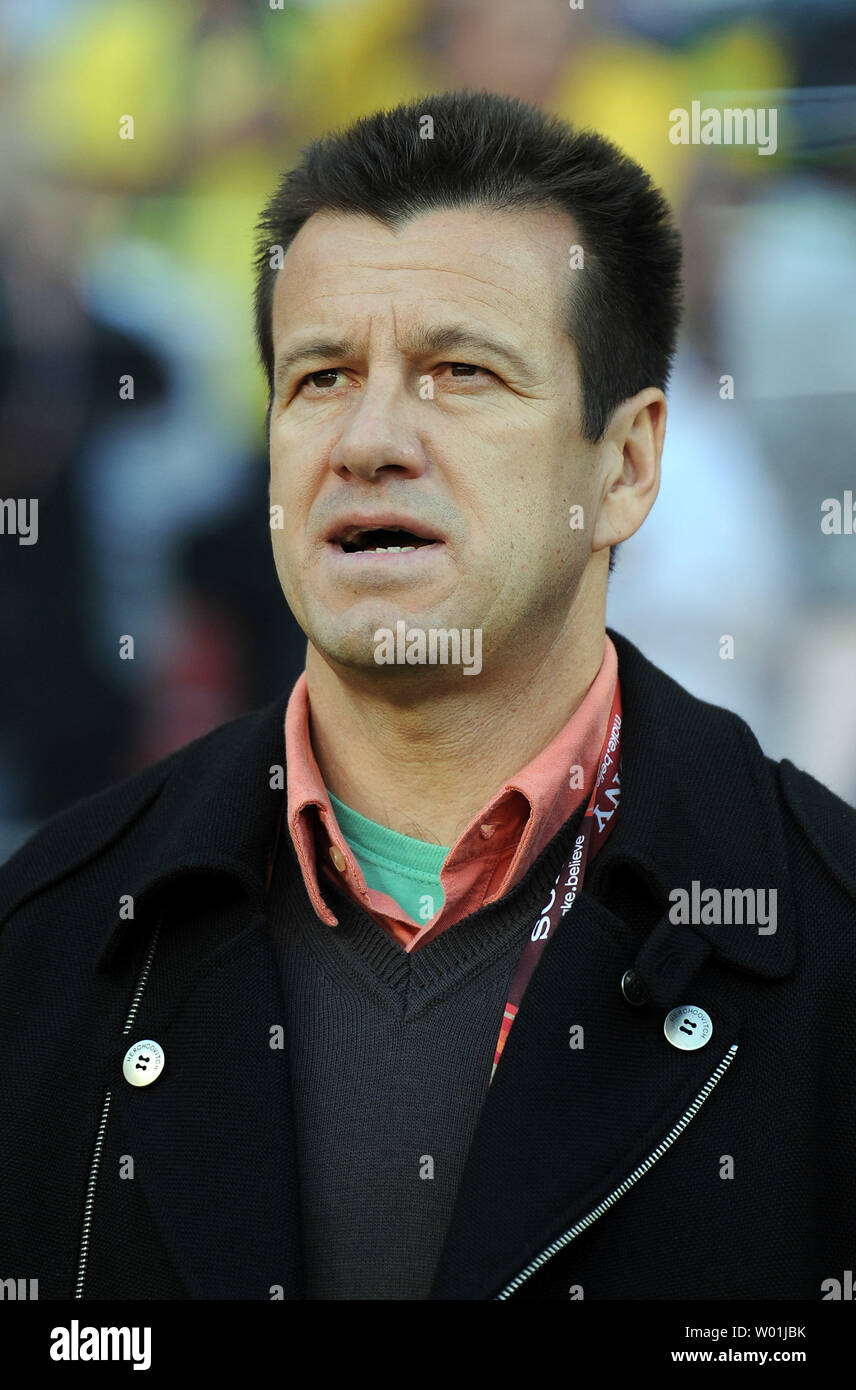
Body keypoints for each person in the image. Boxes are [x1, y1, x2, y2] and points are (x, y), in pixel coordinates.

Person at [1, 90, 854, 1302]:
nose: (369, 439)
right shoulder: (41, 949)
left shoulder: (828, 948)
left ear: (624, 467)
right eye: (319, 377)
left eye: (459, 371)